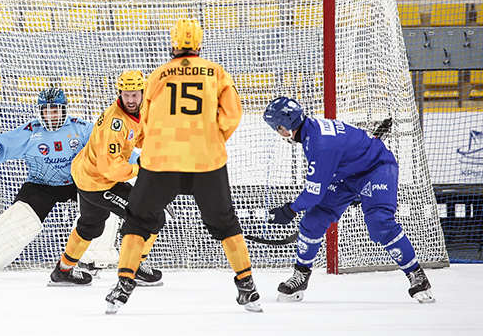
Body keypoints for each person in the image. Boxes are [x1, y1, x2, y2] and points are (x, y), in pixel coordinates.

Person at [105, 18, 258, 314]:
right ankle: (247, 286)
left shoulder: (158, 75)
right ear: (199, 43)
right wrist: (213, 137)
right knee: (225, 222)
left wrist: (146, 145)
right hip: (206, 160)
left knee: (137, 220)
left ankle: (123, 286)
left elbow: (144, 121)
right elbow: (233, 114)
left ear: (173, 43)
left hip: (162, 160)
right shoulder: (216, 73)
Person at [261, 96, 435, 304]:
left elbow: (314, 193)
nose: (278, 133)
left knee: (379, 222)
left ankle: (417, 276)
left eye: (277, 127)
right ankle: (301, 276)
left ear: (286, 125)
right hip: (347, 174)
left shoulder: (319, 143)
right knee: (314, 220)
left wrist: (290, 209)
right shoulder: (310, 130)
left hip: (376, 168)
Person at [0, 87, 92, 279]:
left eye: (55, 110)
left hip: (77, 181)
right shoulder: (31, 131)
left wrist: (135, 160)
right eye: (46, 110)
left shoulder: (81, 127)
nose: (50, 115)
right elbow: (2, 145)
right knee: (18, 223)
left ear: (64, 110)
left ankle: (94, 261)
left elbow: (107, 145)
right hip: (41, 185)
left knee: (102, 207)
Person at [50, 70, 163, 287]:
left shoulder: (139, 109)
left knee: (90, 226)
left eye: (134, 95)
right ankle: (135, 267)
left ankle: (63, 271)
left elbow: (139, 136)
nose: (130, 99)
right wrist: (141, 167)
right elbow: (111, 169)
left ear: (142, 92)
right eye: (126, 95)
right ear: (120, 93)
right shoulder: (115, 123)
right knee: (150, 216)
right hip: (99, 180)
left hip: (86, 175)